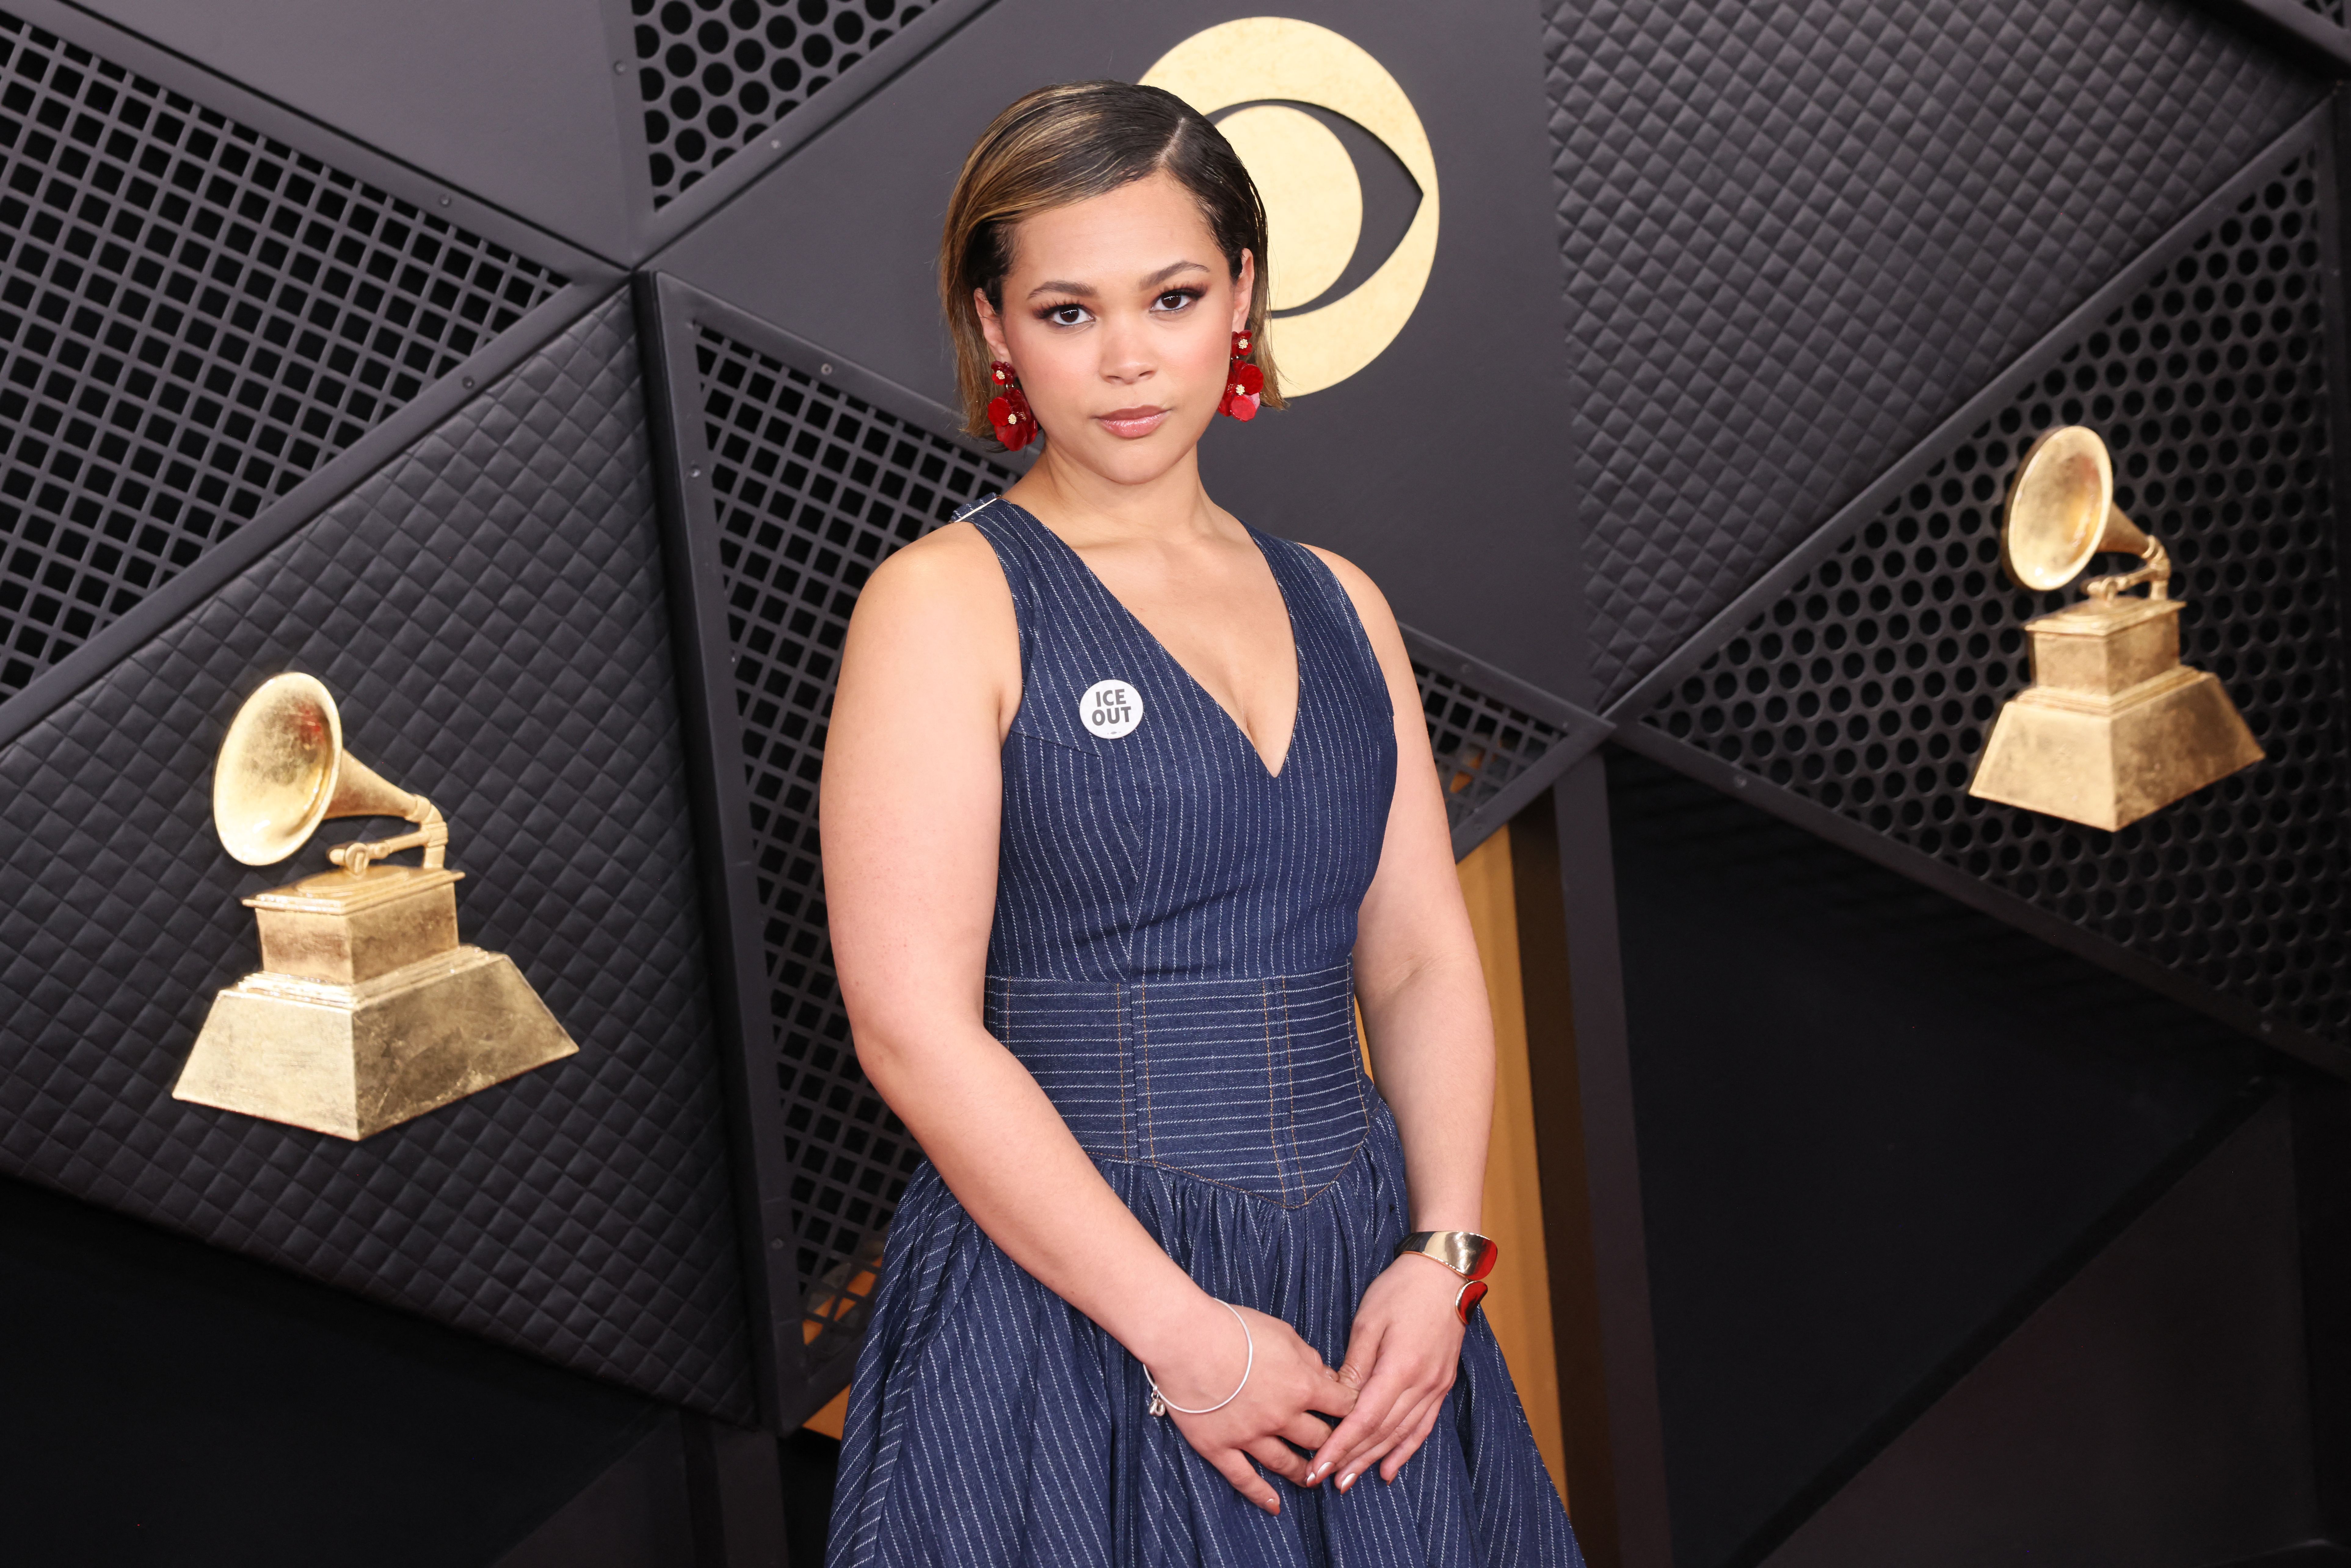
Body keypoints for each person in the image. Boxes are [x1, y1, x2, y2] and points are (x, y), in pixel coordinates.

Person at [819, 79, 1583, 1566]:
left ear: (1241, 294)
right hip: (1076, 1304)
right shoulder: (944, 603)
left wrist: (1441, 1257)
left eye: (1169, 298)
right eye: (1066, 312)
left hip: (1366, 1302)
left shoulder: (1341, 601)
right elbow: (909, 1027)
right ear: (993, 328)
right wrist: (1183, 1333)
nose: (1125, 359)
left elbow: (1418, 958)